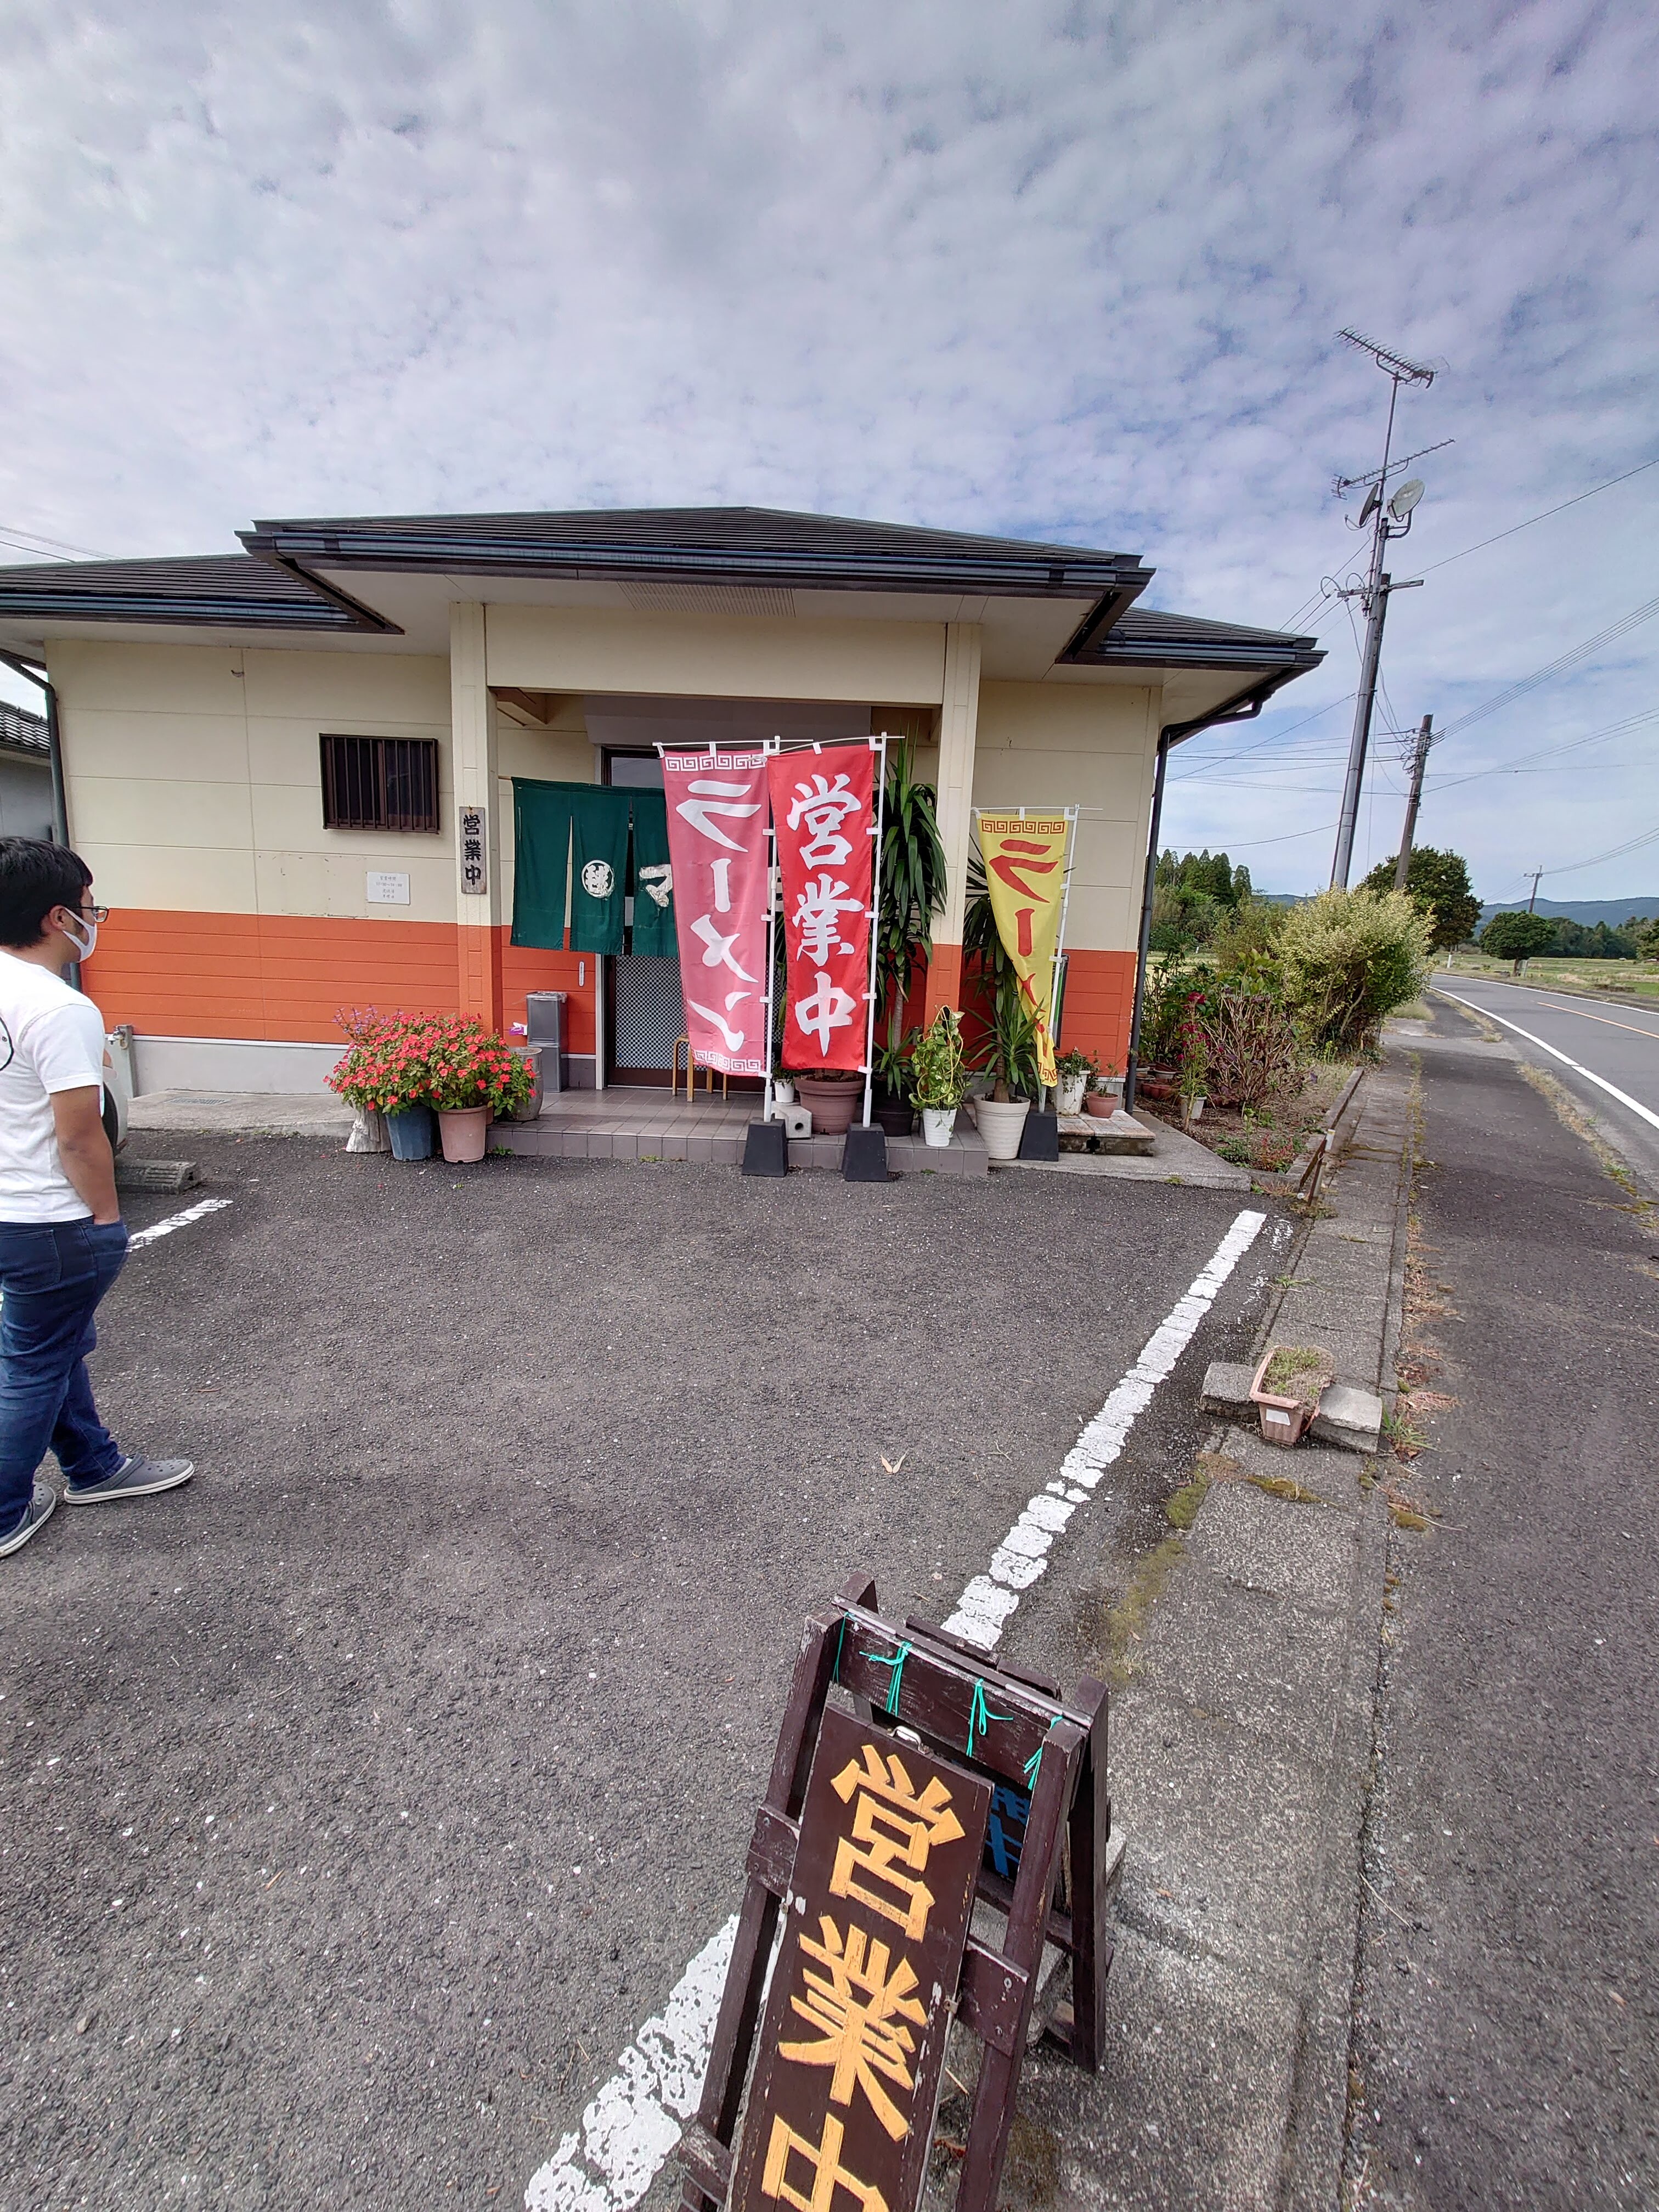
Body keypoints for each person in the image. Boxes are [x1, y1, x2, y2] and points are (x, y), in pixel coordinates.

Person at [0, 837, 191, 1558]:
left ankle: (92, 1465)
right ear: (57, 918)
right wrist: (108, 1219)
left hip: (8, 1212)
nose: (93, 918)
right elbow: (82, 1135)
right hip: (50, 1218)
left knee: (49, 1347)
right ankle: (5, 1510)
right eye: (89, 908)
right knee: (36, 1358)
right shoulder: (58, 1008)